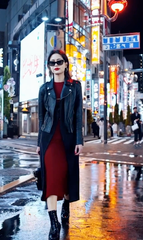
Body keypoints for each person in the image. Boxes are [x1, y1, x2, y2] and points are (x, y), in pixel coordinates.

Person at [36, 50, 83, 240]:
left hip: (69, 137)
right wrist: (39, 142)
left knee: (67, 176)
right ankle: (53, 222)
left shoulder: (75, 87)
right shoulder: (43, 89)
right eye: (52, 62)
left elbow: (79, 115)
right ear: (49, 66)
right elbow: (41, 117)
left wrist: (79, 140)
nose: (55, 64)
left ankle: (66, 206)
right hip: (49, 140)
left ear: (66, 64)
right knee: (52, 180)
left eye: (59, 61)